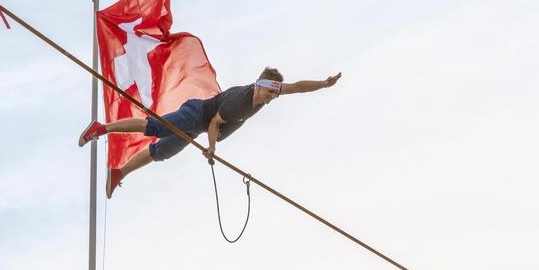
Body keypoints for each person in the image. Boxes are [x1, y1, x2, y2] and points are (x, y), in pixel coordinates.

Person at [78, 68, 342, 197]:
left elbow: (296, 87)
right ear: (259, 85)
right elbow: (215, 123)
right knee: (155, 126)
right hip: (197, 115)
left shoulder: (269, 92)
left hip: (197, 127)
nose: (271, 98)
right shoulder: (241, 99)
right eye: (269, 92)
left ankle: (119, 172)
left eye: (275, 94)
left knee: (164, 151)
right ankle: (103, 128)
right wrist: (213, 147)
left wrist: (323, 84)